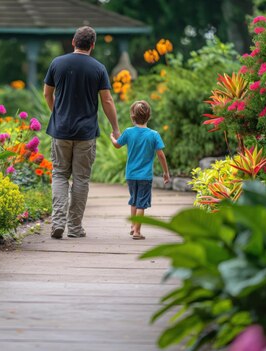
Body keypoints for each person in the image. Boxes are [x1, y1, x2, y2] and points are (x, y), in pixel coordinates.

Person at [43, 26, 120, 240]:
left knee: (59, 174)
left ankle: (58, 223)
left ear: (73, 42)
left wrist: (57, 114)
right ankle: (75, 228)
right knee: (81, 179)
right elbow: (107, 100)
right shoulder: (98, 68)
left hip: (61, 131)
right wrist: (115, 128)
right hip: (85, 133)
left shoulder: (57, 63)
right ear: (92, 46)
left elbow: (47, 94)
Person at [109, 100, 170, 240]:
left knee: (134, 201)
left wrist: (112, 137)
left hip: (131, 175)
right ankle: (137, 231)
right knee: (142, 203)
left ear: (132, 117)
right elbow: (160, 154)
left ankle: (133, 226)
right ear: (149, 116)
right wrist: (165, 172)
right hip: (145, 176)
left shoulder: (128, 132)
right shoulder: (154, 134)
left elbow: (117, 145)